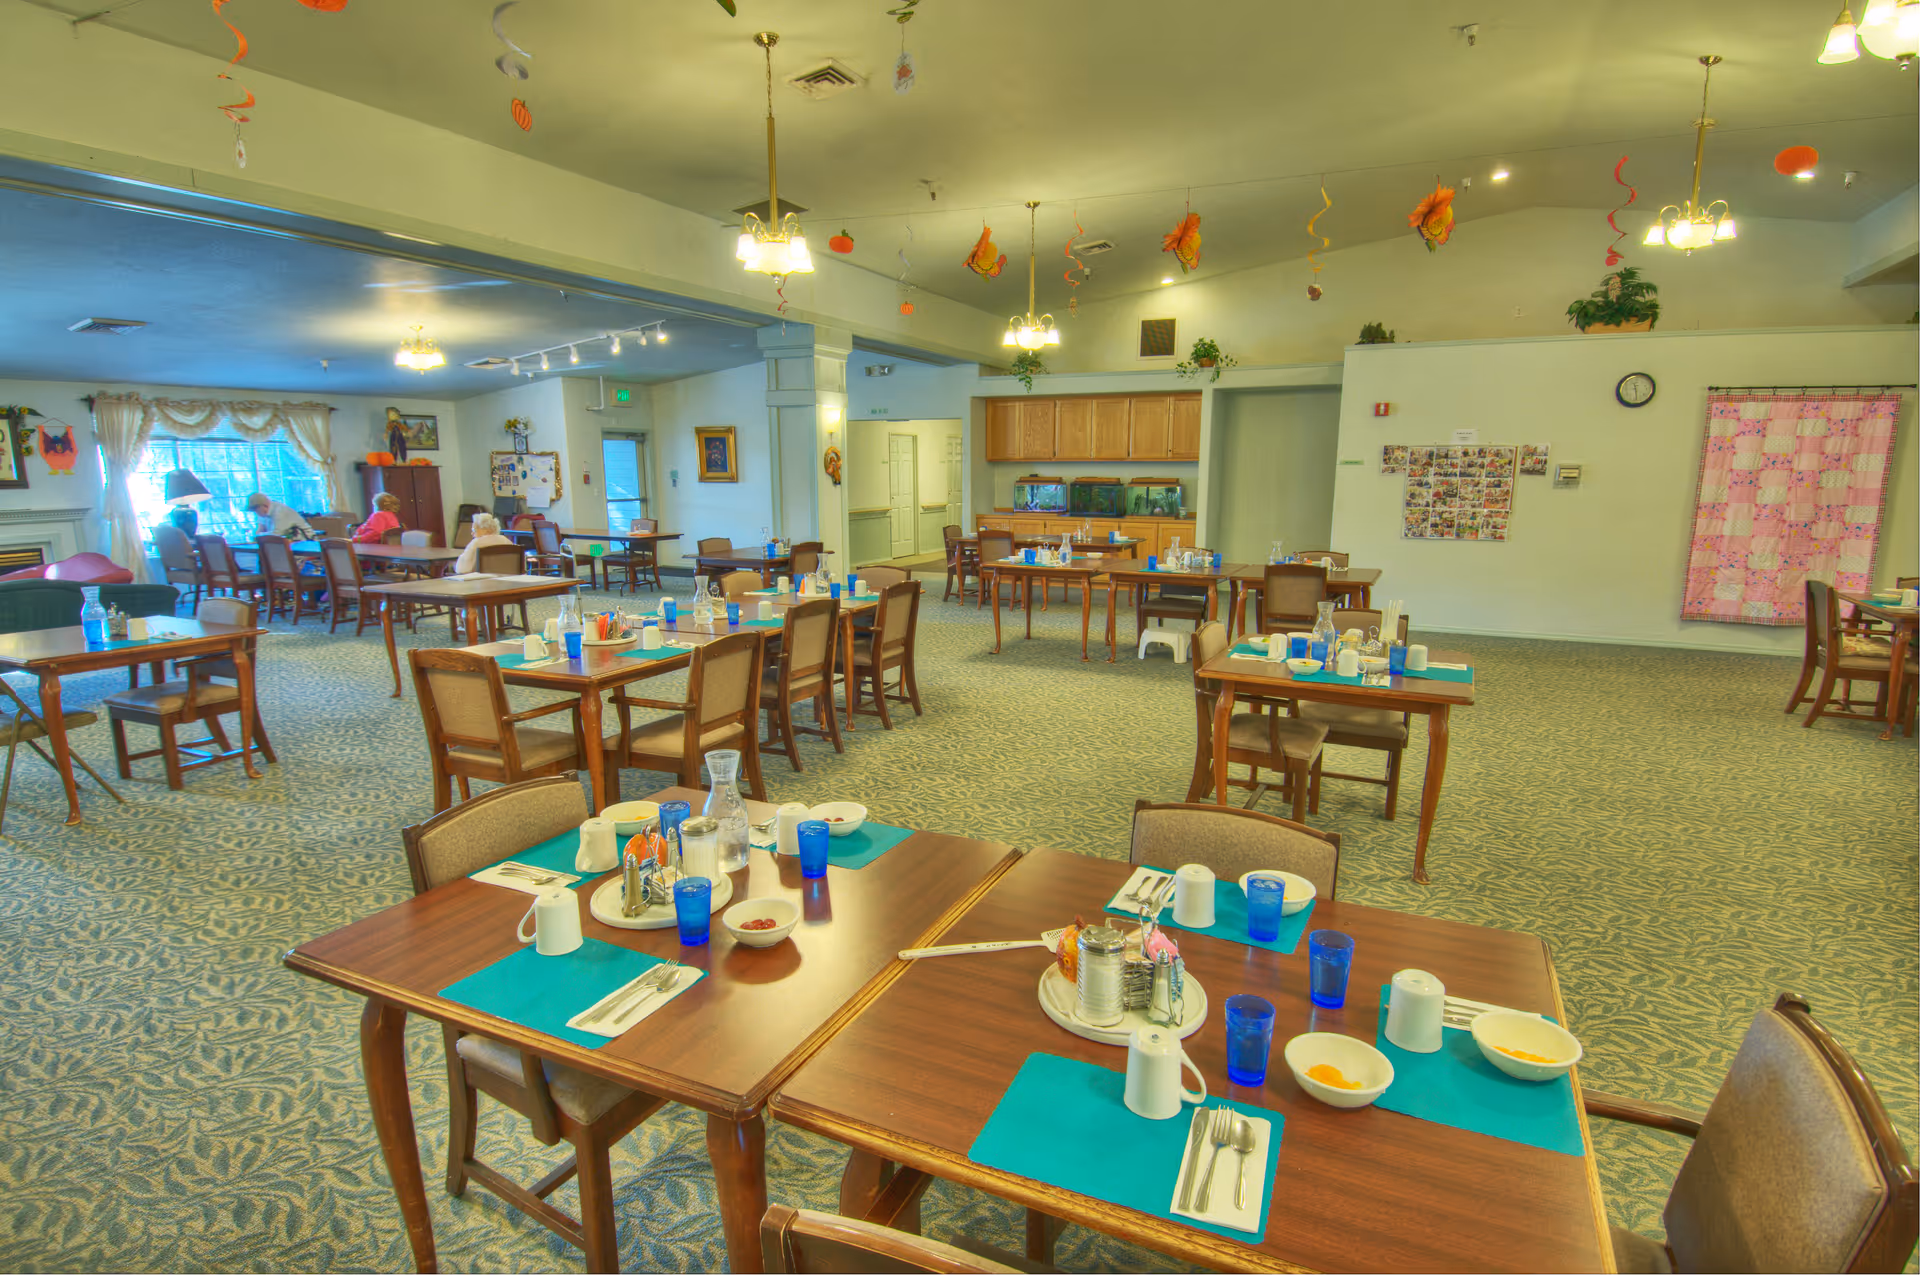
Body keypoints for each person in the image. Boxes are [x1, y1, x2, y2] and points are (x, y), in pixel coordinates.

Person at [245, 493, 313, 539]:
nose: (256, 513)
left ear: (264, 505)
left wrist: (259, 536)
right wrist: (257, 534)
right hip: (287, 544)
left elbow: (277, 535)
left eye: (256, 509)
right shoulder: (264, 514)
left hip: (304, 542)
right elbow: (259, 531)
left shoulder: (280, 512)